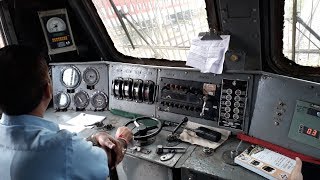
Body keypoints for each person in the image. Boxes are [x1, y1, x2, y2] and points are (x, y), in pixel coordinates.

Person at [0, 45, 132, 179]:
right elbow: (108, 159)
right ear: (48, 90)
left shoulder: (64, 148)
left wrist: (93, 138)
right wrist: (122, 140)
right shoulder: (63, 147)